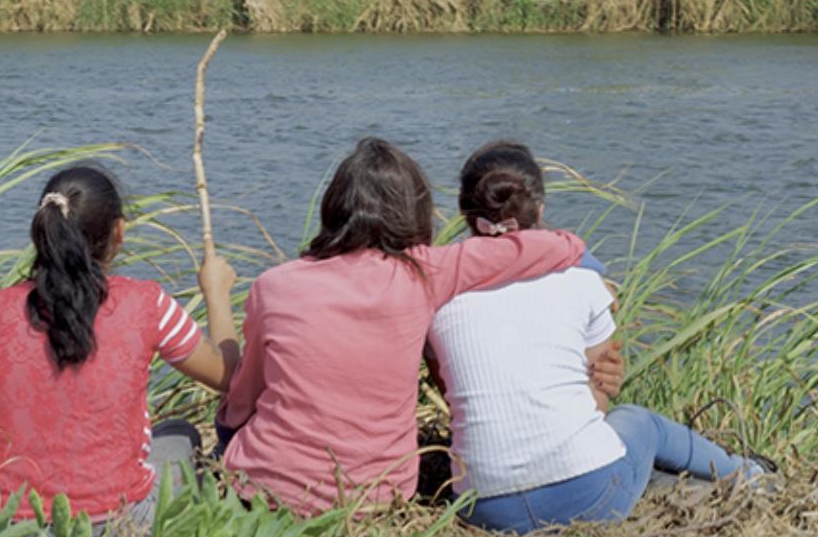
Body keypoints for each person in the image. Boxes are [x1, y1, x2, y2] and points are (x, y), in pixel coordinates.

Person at [217, 137, 589, 516]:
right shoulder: (425, 272)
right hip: (378, 495)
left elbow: (242, 400)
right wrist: (572, 247)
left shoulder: (275, 284)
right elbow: (538, 248)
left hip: (266, 493)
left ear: (333, 207)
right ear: (414, 211)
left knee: (229, 425)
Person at [427, 142, 770, 534]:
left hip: (483, 511)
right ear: (539, 209)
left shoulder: (436, 295)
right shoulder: (583, 280)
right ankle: (750, 474)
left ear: (464, 216)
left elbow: (454, 393)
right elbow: (598, 400)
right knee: (641, 422)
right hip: (590, 500)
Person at [0, 167, 239, 533]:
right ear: (119, 232)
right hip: (114, 524)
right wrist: (217, 295)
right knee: (181, 435)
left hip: (5, 526)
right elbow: (228, 376)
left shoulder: (3, 306)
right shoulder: (146, 303)